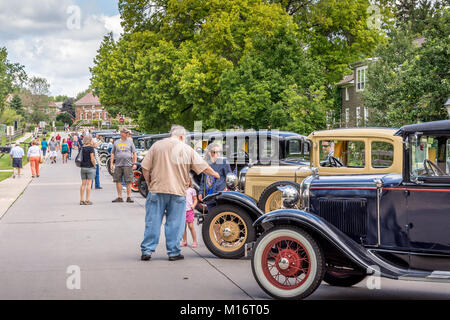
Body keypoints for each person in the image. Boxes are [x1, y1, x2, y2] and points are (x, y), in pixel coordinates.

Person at [140, 125, 220, 262]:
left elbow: (145, 167)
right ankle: (173, 252)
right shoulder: (186, 149)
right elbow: (203, 167)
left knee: (152, 221)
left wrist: (148, 183)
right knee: (175, 223)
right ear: (182, 136)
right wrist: (216, 175)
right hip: (177, 192)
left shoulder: (157, 146)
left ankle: (147, 250)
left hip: (156, 189)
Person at [198, 143, 232, 210]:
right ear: (210, 153)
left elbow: (229, 177)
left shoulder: (224, 162)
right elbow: (203, 181)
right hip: (209, 196)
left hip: (220, 195)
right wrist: (200, 192)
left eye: (219, 152)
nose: (218, 154)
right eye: (215, 152)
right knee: (211, 216)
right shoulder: (206, 163)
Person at [110, 128, 137, 203]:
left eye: (127, 133)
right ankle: (120, 197)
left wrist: (134, 163)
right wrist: (111, 163)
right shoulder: (116, 142)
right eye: (126, 133)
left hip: (128, 164)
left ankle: (129, 197)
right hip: (118, 164)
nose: (127, 134)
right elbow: (112, 153)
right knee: (118, 180)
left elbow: (134, 153)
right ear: (121, 133)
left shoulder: (130, 142)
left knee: (128, 181)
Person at [180, 179, 198, 248]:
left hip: (189, 210)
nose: (186, 183)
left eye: (187, 181)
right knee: (183, 227)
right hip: (182, 210)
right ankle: (184, 241)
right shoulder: (180, 190)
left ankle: (195, 241)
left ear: (190, 182)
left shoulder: (192, 190)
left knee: (191, 226)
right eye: (185, 181)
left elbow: (195, 199)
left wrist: (193, 205)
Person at [79, 135, 97, 205]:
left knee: (83, 184)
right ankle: (87, 200)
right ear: (89, 140)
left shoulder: (82, 148)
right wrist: (95, 165)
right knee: (89, 184)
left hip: (83, 167)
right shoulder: (91, 148)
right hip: (90, 167)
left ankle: (81, 200)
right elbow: (92, 158)